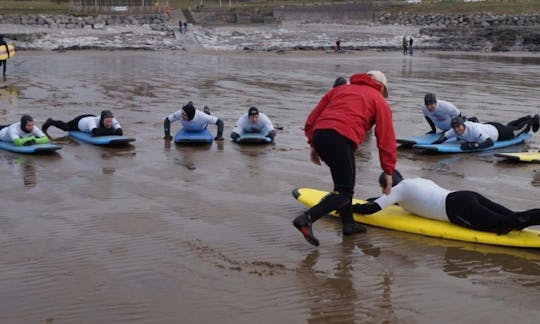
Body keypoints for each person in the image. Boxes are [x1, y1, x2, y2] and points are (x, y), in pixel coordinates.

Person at [293, 71, 397, 246]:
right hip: (341, 139)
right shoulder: (378, 100)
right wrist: (388, 171)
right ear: (380, 86)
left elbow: (313, 118)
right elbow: (386, 137)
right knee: (344, 192)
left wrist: (314, 144)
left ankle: (348, 224)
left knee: (343, 186)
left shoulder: (339, 90)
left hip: (321, 134)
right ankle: (306, 219)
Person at [352, 170, 540, 235]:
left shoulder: (398, 191)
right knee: (512, 217)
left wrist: (350, 208)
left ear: (388, 185)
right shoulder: (414, 183)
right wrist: (375, 199)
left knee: (502, 226)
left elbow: (371, 210)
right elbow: (386, 201)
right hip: (464, 196)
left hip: (456, 209)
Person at [433, 114, 539, 150]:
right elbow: (443, 138)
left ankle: (533, 119)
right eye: (455, 128)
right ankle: (526, 117)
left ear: (463, 125)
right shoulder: (454, 130)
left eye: (459, 127)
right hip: (488, 125)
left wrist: (472, 146)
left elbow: (490, 143)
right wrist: (430, 145)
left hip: (499, 133)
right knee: (510, 126)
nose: (457, 130)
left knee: (519, 130)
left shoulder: (474, 130)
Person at [42, 110, 123, 136]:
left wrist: (112, 131)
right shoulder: (93, 122)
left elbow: (120, 132)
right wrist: (112, 132)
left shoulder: (112, 119)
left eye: (110, 122)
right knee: (66, 127)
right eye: (107, 122)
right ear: (102, 120)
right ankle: (50, 121)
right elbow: (95, 132)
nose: (109, 123)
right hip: (81, 122)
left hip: (91, 117)